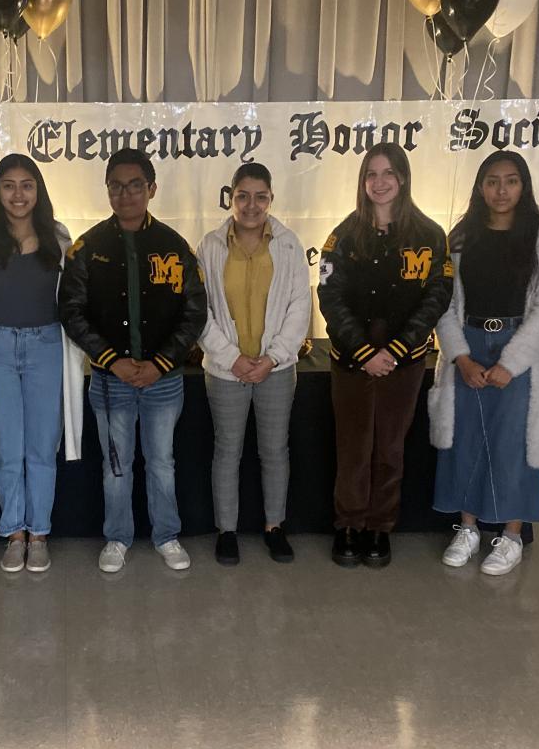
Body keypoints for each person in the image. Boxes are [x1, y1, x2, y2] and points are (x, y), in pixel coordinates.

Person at [59, 148, 207, 576]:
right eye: (116, 186)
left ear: (152, 189)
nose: (125, 195)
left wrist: (161, 363)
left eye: (135, 185)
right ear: (107, 190)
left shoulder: (175, 247)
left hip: (164, 379)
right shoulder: (87, 248)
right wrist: (112, 361)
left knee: (162, 464)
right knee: (116, 467)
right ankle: (118, 537)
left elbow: (195, 312)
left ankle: (166, 535)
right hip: (111, 380)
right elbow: (71, 311)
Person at [430, 150, 539, 575]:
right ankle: (468, 527)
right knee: (466, 440)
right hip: (469, 345)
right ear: (480, 187)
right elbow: (443, 303)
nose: (501, 190)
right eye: (492, 181)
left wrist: (512, 362)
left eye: (510, 181)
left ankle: (510, 535)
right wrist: (461, 357)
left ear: (523, 186)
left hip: (518, 348)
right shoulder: (461, 237)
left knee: (514, 444)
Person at [318, 142, 452, 568]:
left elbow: (437, 296)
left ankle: (379, 526)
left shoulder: (431, 235)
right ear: (362, 182)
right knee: (353, 448)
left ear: (404, 178)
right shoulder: (341, 236)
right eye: (371, 174)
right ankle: (349, 524)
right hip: (351, 361)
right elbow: (330, 297)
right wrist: (363, 352)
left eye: (388, 172)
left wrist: (395, 350)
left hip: (404, 361)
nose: (379, 182)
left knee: (390, 448)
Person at [0, 154, 85, 577]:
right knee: (8, 447)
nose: (18, 194)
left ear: (38, 190)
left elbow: (73, 297)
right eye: (8, 185)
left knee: (42, 447)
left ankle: (40, 534)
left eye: (26, 185)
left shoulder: (59, 237)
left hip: (46, 347)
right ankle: (14, 533)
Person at [196, 162, 312, 565]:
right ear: (230, 198)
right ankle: (226, 532)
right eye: (242, 196)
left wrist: (272, 357)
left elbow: (300, 306)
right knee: (227, 451)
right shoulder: (210, 246)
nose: (251, 205)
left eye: (260, 197)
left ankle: (274, 527)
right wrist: (232, 358)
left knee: (274, 451)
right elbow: (201, 311)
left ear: (271, 199)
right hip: (225, 370)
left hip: (275, 370)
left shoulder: (289, 244)